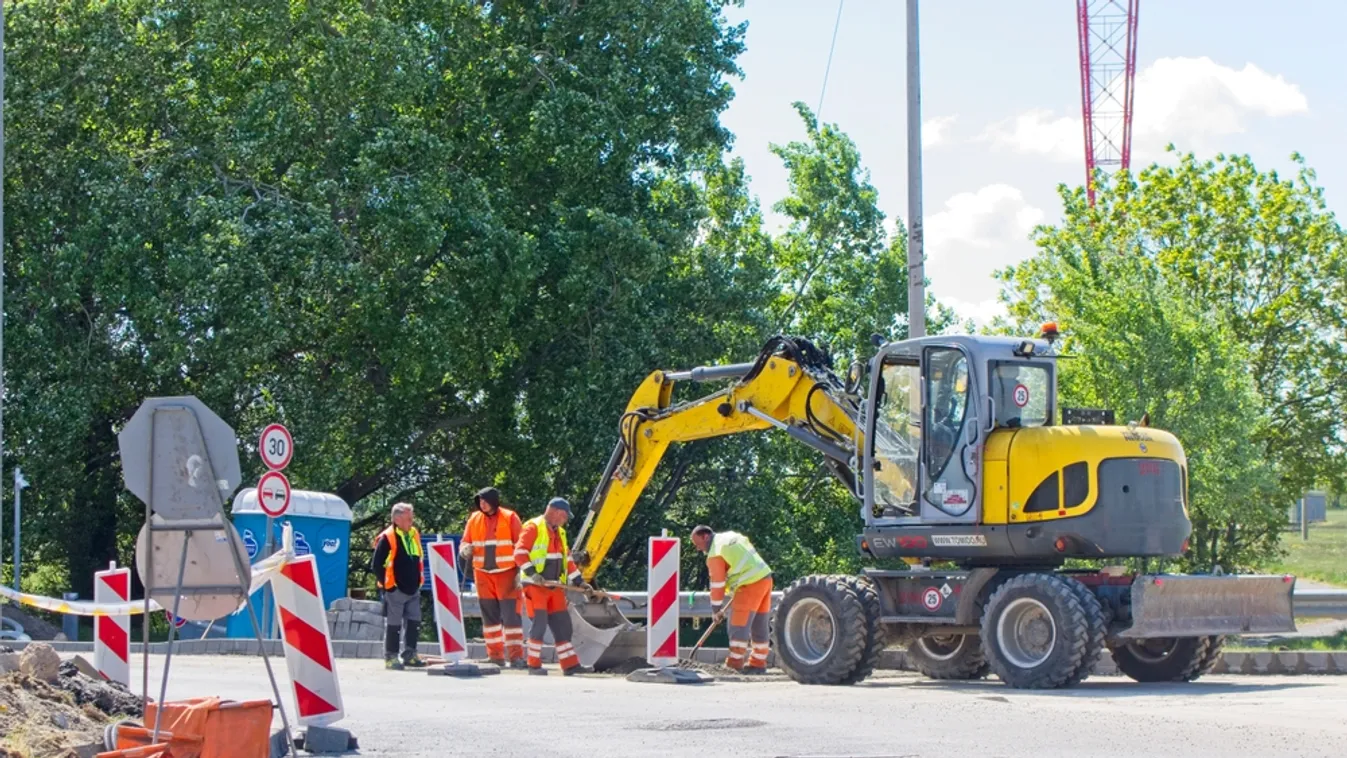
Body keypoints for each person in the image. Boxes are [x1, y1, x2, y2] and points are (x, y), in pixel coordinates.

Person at [513, 497, 591, 676]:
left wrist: (580, 582)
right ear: (557, 512)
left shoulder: (560, 533)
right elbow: (519, 554)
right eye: (565, 517)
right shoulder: (533, 527)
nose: (565, 520)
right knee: (539, 625)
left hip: (555, 587)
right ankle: (533, 664)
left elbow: (568, 561)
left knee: (562, 625)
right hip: (535, 586)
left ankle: (570, 665)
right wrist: (533, 574)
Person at [458, 486, 526, 668]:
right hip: (483, 575)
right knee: (490, 619)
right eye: (479, 501)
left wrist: (521, 572)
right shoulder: (474, 519)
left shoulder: (510, 517)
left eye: (485, 500)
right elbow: (465, 541)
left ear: (494, 501)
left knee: (512, 618)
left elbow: (521, 547)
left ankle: (516, 657)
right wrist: (465, 549)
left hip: (507, 574)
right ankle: (495, 656)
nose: (482, 504)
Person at [691, 525, 773, 673]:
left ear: (705, 536)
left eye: (697, 544)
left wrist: (716, 610)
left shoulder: (715, 552)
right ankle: (758, 663)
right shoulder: (730, 536)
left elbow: (717, 584)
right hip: (765, 578)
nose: (698, 549)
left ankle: (735, 663)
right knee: (759, 624)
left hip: (748, 584)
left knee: (738, 623)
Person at [370, 502, 426, 670]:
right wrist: (389, 588)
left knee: (414, 621)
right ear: (397, 519)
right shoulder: (387, 537)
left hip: (413, 588)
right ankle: (391, 657)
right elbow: (376, 565)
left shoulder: (413, 534)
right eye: (409, 518)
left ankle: (410, 654)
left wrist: (417, 583)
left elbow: (417, 560)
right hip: (396, 590)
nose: (412, 521)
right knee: (394, 625)